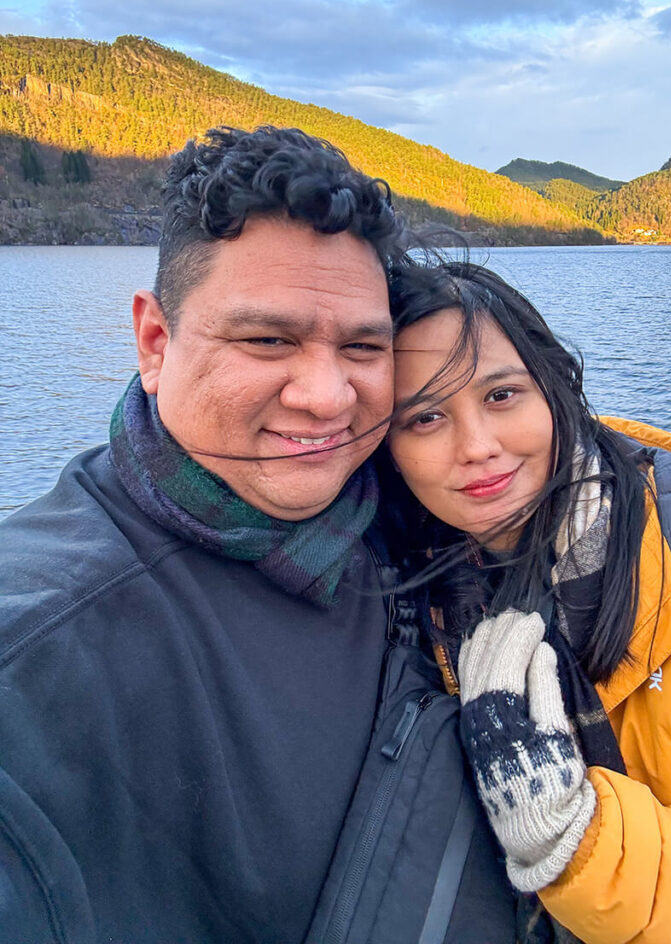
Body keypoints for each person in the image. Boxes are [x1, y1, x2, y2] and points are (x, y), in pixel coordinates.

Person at [0, 128, 521, 943]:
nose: (326, 396)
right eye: (267, 340)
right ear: (154, 342)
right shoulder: (43, 645)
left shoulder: (418, 499)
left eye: (361, 346)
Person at [384, 256, 671, 943]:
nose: (478, 447)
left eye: (502, 396)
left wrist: (576, 836)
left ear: (557, 386)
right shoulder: (394, 581)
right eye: (426, 417)